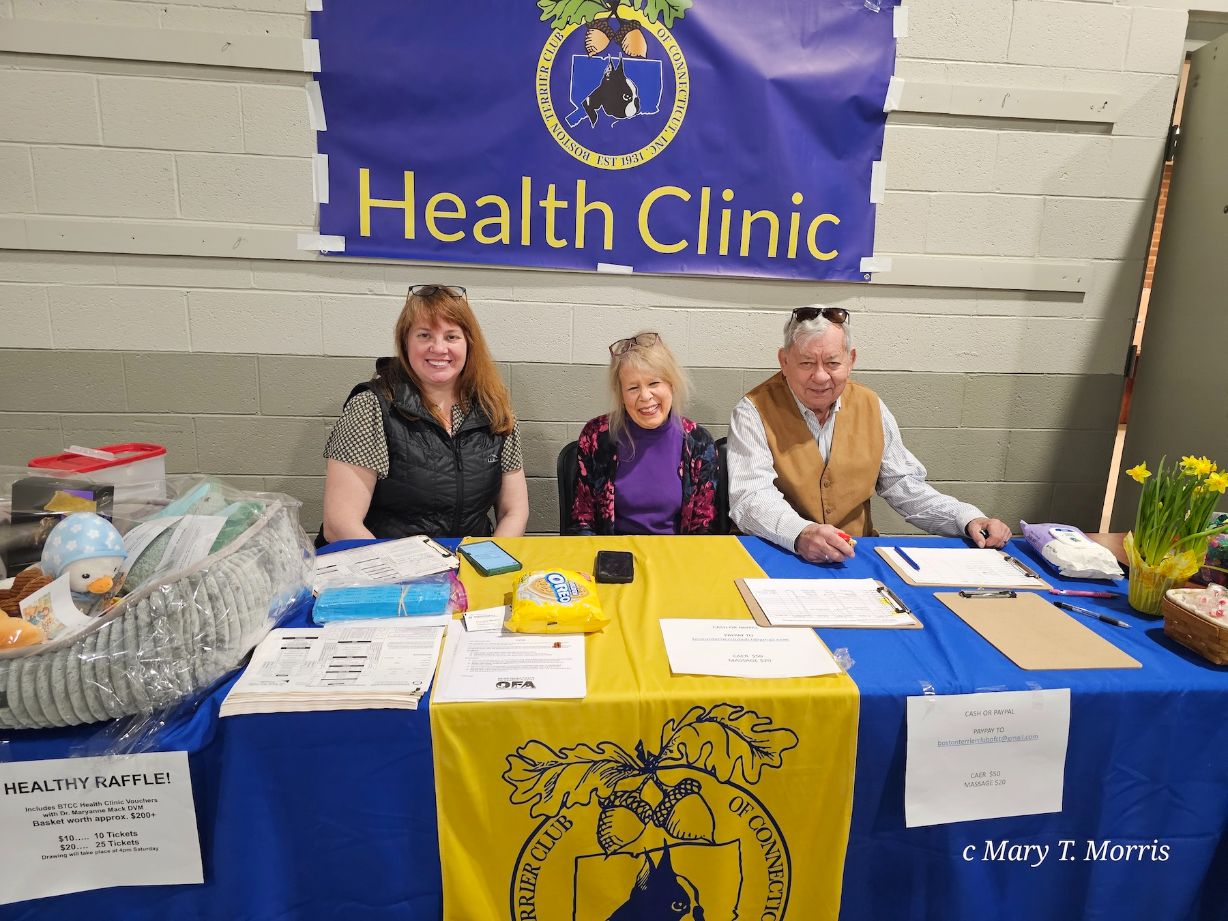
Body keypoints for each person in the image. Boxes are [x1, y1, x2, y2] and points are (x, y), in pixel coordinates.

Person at [728, 306, 1011, 564]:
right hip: (777, 553)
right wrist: (800, 533)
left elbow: (903, 484)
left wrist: (966, 518)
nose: (821, 376)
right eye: (806, 363)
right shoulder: (753, 410)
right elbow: (751, 496)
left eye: (832, 363)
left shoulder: (870, 405)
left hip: (852, 556)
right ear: (784, 361)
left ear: (850, 360)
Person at [320, 285, 529, 543]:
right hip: (386, 560)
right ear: (405, 342)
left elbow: (514, 512)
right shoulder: (371, 407)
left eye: (451, 337)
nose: (439, 348)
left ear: (469, 344)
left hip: (470, 559)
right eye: (424, 335)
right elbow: (340, 524)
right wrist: (408, 567)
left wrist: (490, 558)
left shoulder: (495, 409)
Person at [568, 332, 719, 535]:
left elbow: (704, 528)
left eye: (654, 383)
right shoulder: (595, 436)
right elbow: (582, 520)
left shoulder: (699, 442)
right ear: (621, 395)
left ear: (671, 384)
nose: (645, 396)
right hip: (614, 552)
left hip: (675, 551)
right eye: (633, 388)